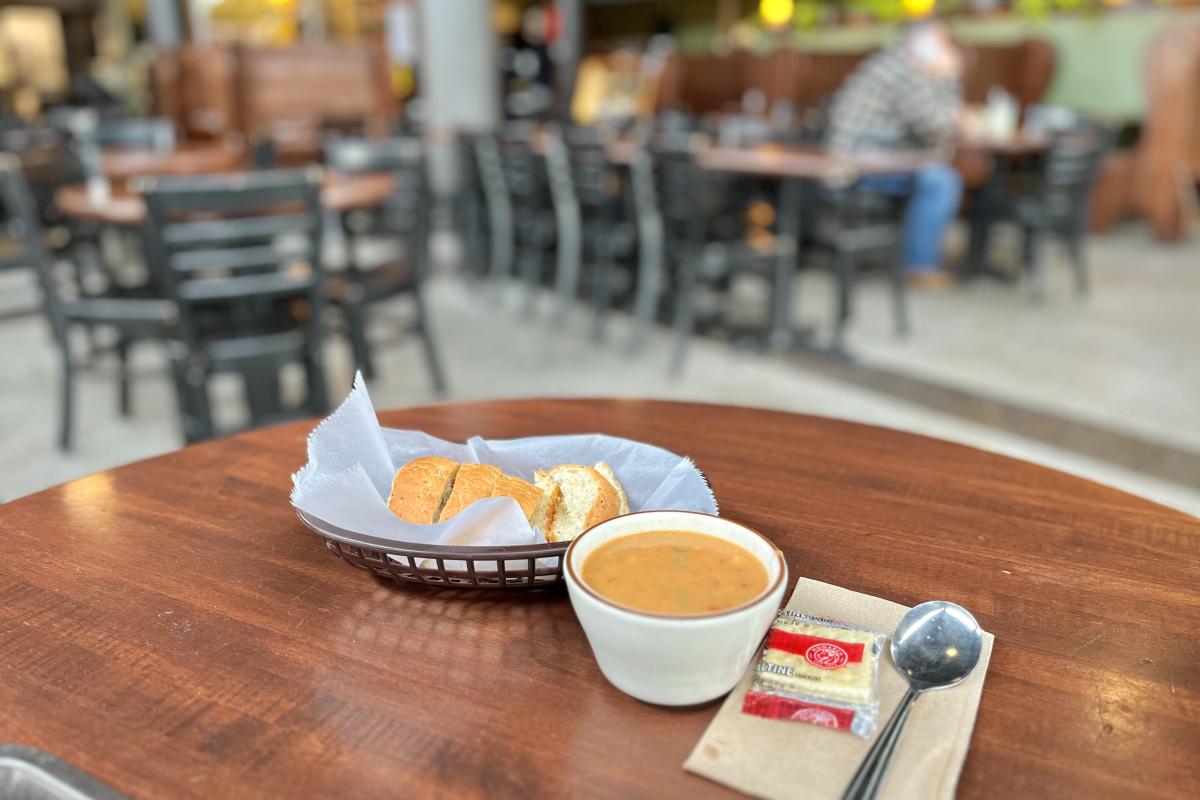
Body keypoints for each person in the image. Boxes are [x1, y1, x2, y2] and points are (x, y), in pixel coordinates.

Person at [827, 20, 964, 288]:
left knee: (938, 175)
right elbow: (938, 123)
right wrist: (950, 78)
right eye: (943, 42)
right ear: (922, 43)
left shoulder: (906, 65)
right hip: (854, 163)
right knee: (941, 181)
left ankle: (919, 252)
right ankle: (919, 266)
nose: (948, 49)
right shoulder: (901, 70)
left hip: (875, 156)